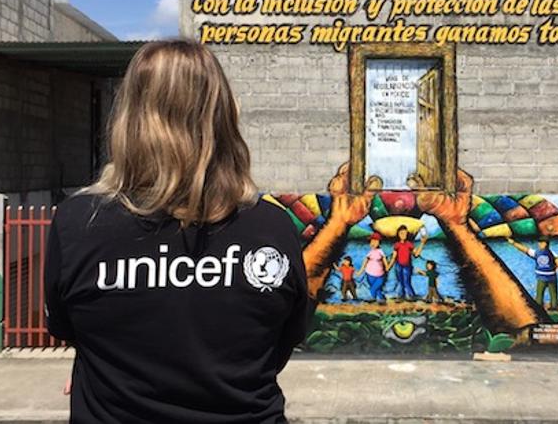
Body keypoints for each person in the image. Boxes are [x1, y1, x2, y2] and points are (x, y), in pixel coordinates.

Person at [44, 40, 312, 424]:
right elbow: (280, 343)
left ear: (129, 118)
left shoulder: (76, 222)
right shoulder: (272, 226)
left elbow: (70, 329)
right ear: (222, 117)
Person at [506, 235, 558, 311]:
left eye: (541, 243)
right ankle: (553, 306)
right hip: (550, 276)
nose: (539, 244)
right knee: (550, 293)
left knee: (542, 293)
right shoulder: (550, 253)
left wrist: (514, 243)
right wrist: (514, 243)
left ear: (545, 244)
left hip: (544, 277)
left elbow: (525, 249)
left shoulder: (537, 253)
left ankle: (543, 307)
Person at [385, 225, 427, 300]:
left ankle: (412, 296)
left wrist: (422, 243)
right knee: (400, 282)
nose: (403, 235)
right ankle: (401, 296)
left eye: (405, 233)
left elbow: (416, 254)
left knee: (407, 282)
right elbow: (394, 257)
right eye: (401, 233)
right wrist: (389, 266)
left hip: (407, 266)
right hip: (398, 266)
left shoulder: (409, 244)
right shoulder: (396, 245)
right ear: (398, 234)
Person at [357, 232, 387, 301]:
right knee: (377, 289)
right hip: (370, 274)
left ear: (379, 242)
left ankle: (373, 300)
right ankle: (382, 300)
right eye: (371, 241)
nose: (373, 243)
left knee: (373, 289)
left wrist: (388, 267)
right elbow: (365, 262)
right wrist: (360, 272)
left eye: (375, 241)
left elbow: (385, 262)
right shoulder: (370, 253)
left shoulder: (381, 252)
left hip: (380, 275)